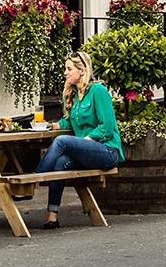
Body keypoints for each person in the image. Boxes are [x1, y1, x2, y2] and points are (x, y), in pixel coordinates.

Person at [34, 51, 121, 229]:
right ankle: (52, 217)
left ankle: (35, 179)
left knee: (62, 142)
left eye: (69, 69)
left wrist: (88, 139)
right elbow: (70, 120)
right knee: (60, 163)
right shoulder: (73, 94)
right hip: (86, 151)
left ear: (82, 71)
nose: (65, 73)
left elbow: (107, 126)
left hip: (106, 150)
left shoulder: (98, 91)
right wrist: (51, 125)